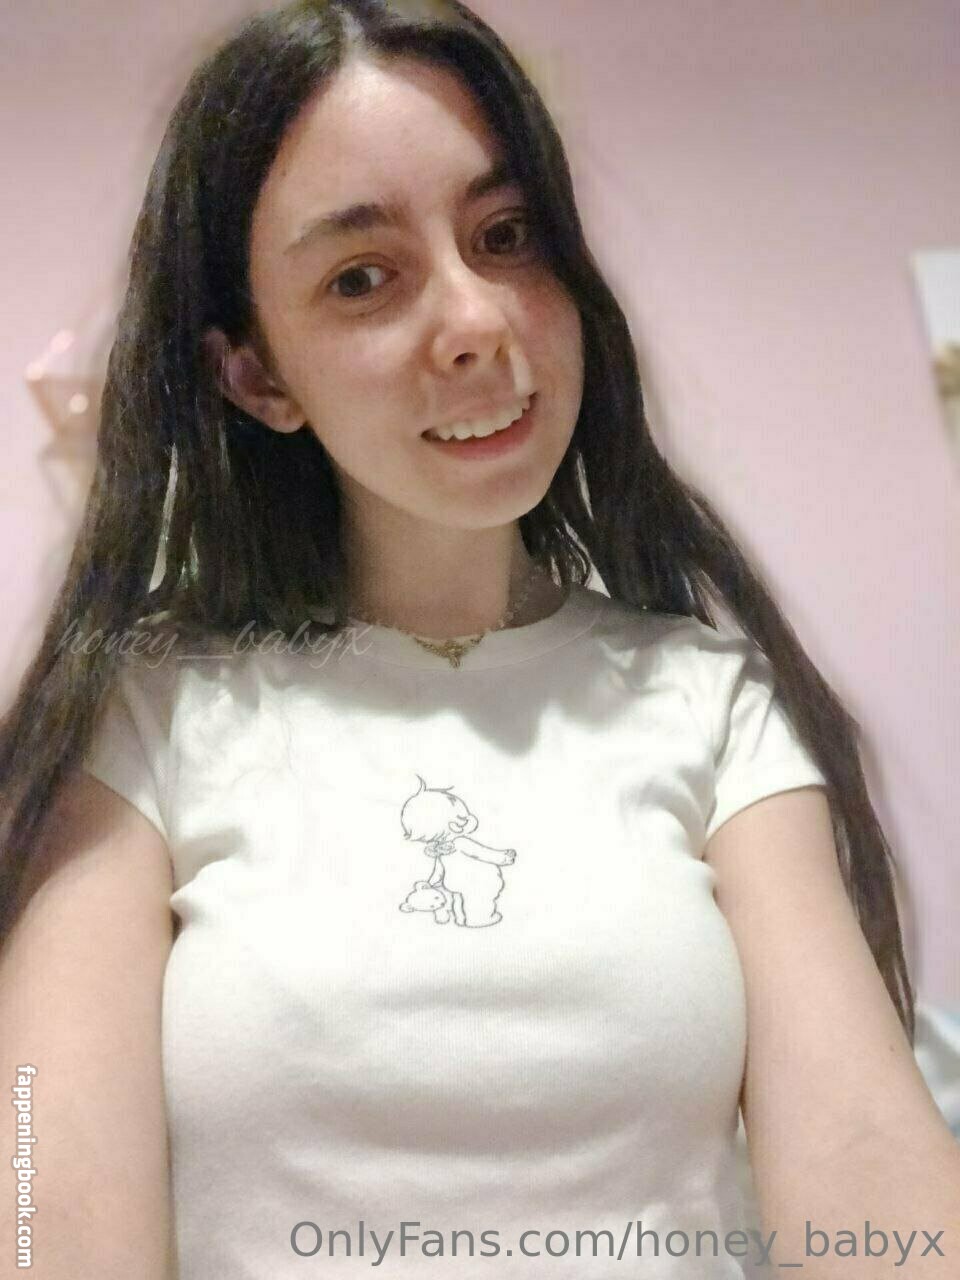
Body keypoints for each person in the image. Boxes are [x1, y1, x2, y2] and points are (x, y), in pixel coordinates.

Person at [1, 2, 958, 1277]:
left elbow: (868, 1173)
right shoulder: (146, 721)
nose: (476, 320)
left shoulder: (711, 703)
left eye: (506, 236)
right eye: (362, 276)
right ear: (257, 375)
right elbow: (43, 1202)